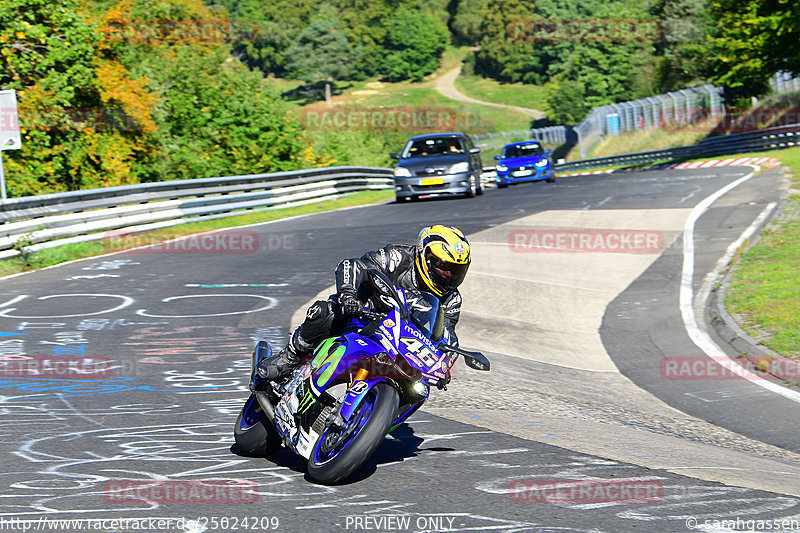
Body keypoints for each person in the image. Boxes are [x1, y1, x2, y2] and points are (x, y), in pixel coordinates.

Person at [257, 225, 471, 381]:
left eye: (457, 270)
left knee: (420, 386)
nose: (449, 275)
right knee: (326, 312)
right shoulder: (398, 257)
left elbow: (447, 334)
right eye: (444, 266)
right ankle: (288, 358)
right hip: (362, 313)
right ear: (425, 256)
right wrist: (348, 294)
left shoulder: (452, 299)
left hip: (400, 343)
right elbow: (354, 264)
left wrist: (447, 361)